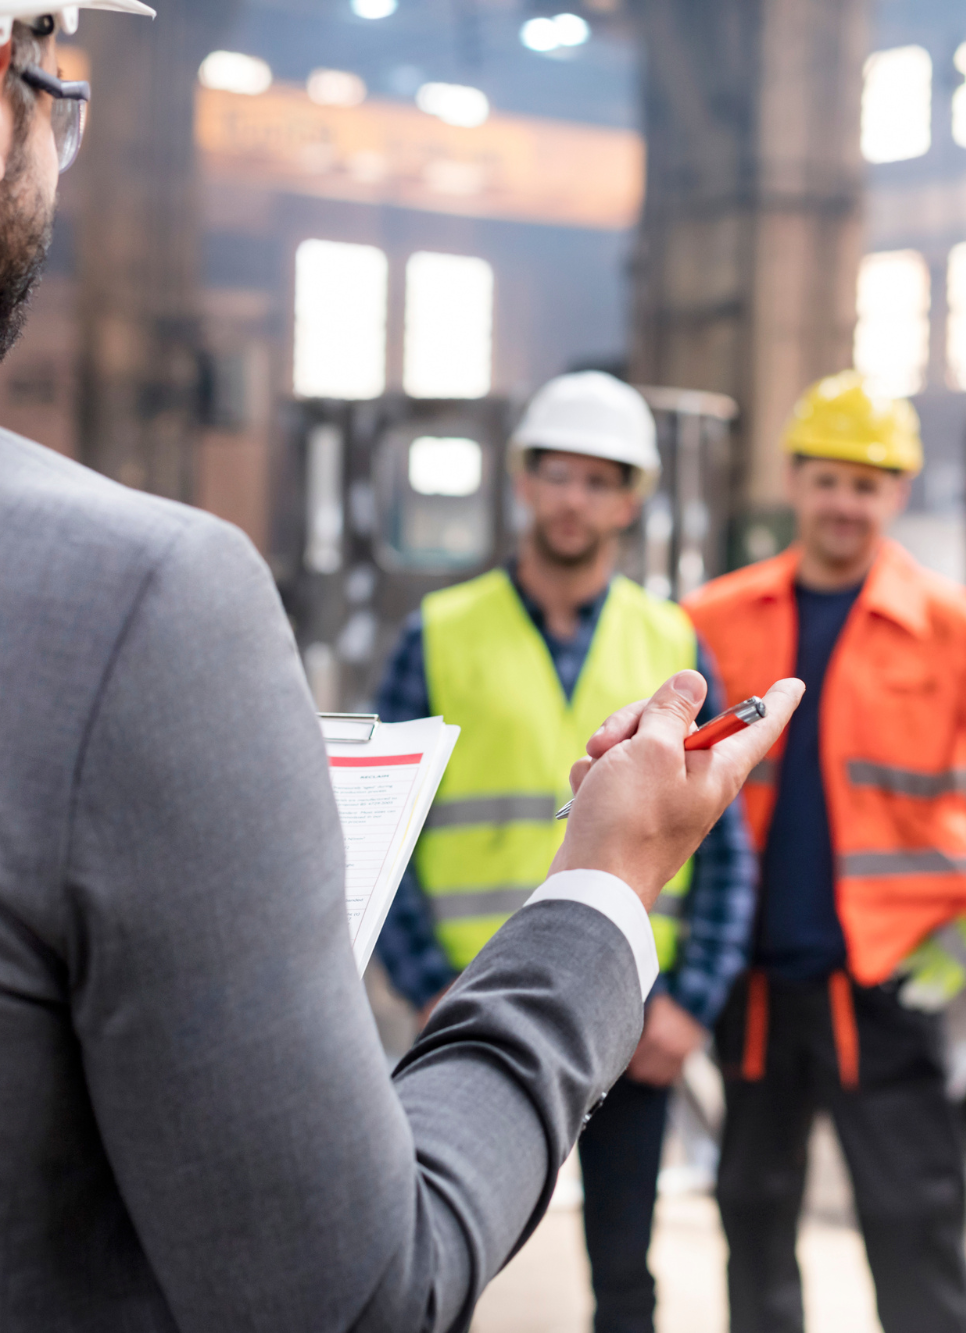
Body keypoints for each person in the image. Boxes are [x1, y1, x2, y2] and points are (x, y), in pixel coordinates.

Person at [0, 7, 801, 1330]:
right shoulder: (135, 602)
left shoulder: (655, 625)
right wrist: (604, 888)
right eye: (60, 98)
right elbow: (351, 1294)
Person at [370, 370, 756, 1333]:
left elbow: (725, 842)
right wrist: (426, 986)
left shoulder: (671, 639)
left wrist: (692, 1006)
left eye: (600, 478)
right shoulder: (439, 633)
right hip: (478, 1008)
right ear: (524, 483)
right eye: (558, 473)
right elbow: (388, 829)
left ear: (632, 498)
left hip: (629, 1007)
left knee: (626, 1274)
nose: (576, 497)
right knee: (439, 1262)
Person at [684, 371, 966, 1333]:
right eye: (827, 479)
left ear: (896, 493)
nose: (845, 501)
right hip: (756, 983)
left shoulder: (952, 624)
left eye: (868, 482)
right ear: (793, 482)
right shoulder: (717, 619)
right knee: (754, 1212)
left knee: (913, 1222)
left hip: (893, 980)